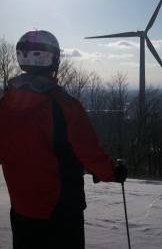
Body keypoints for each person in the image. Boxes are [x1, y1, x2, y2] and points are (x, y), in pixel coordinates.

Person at [0, 30, 127, 249]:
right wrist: (113, 172)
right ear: (55, 60)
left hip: (22, 209)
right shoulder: (65, 105)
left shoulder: (4, 105)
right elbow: (89, 152)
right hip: (62, 211)